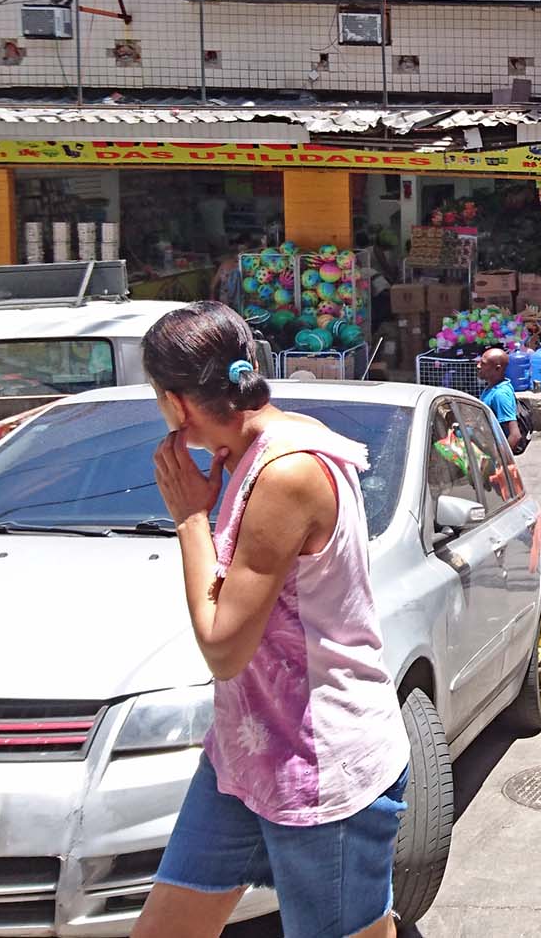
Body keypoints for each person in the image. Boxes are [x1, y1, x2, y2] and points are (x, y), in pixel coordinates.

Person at [134, 303, 408, 938]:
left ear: (176, 404)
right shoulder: (249, 450)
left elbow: (223, 647)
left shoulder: (285, 470)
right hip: (247, 751)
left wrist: (189, 518)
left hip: (318, 762)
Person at [476, 347, 527, 454]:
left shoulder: (500, 394)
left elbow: (515, 435)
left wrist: (500, 462)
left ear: (497, 369)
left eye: (483, 363)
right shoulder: (492, 387)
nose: (478, 366)